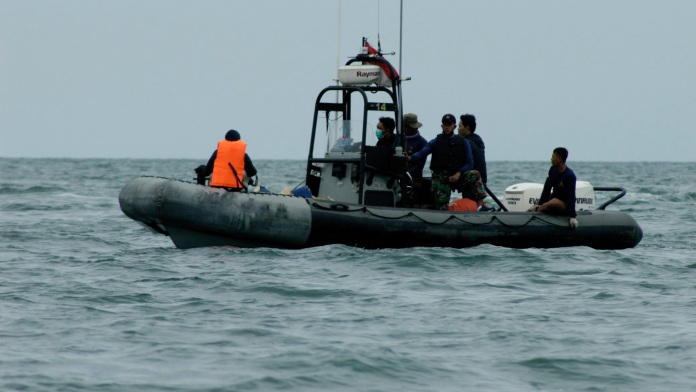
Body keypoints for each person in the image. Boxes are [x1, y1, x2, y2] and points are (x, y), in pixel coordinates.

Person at [409, 114, 488, 210]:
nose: (447, 127)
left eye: (449, 125)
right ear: (442, 126)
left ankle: (480, 206)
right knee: (442, 206)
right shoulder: (436, 141)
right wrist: (409, 158)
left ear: (454, 126)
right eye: (445, 125)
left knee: (474, 174)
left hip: (457, 176)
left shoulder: (463, 142)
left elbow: (469, 163)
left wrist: (458, 173)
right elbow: (422, 153)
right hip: (441, 178)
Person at [534, 147, 578, 229]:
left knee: (552, 202)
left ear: (559, 159)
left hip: (564, 203)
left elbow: (571, 196)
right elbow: (546, 189)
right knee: (546, 202)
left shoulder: (569, 176)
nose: (551, 159)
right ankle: (536, 210)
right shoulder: (552, 170)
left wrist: (572, 216)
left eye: (553, 157)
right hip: (554, 197)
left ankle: (536, 214)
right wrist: (540, 204)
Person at [458, 114, 487, 185]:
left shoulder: (467, 143)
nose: (457, 129)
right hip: (481, 181)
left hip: (473, 181)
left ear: (467, 128)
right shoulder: (477, 141)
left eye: (459, 126)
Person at [402, 113, 428, 183]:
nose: (405, 129)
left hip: (414, 180)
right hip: (397, 177)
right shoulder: (397, 139)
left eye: (407, 127)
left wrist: (407, 175)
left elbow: (420, 165)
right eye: (404, 126)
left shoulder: (422, 142)